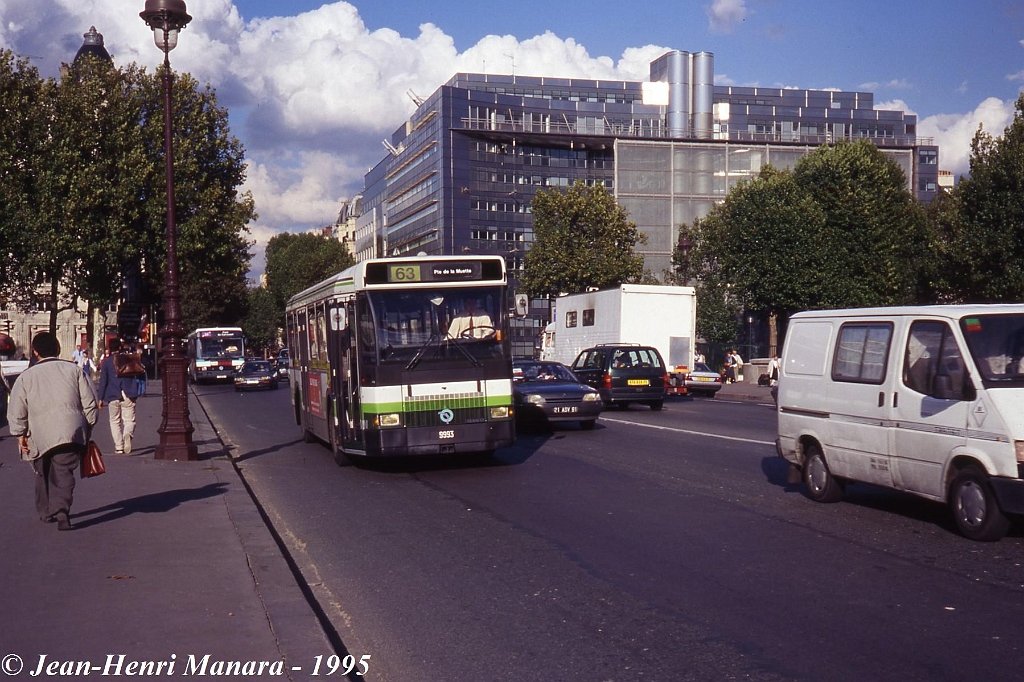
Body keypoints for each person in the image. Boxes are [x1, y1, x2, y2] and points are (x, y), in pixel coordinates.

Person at [6, 332, 98, 531]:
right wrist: (88, 425)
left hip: (38, 433)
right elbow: (90, 403)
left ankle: (45, 510)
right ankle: (62, 509)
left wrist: (19, 433)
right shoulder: (74, 370)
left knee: (42, 471)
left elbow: (17, 408)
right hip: (70, 429)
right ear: (58, 349)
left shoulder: (26, 377)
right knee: (63, 471)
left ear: (35, 352)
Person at [97, 338, 141, 455]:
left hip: (113, 393)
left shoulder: (106, 362)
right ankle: (128, 433)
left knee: (114, 421)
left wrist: (100, 398)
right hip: (128, 393)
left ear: (110, 348)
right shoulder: (127, 359)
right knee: (129, 420)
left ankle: (119, 447)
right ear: (120, 347)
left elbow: (103, 381)